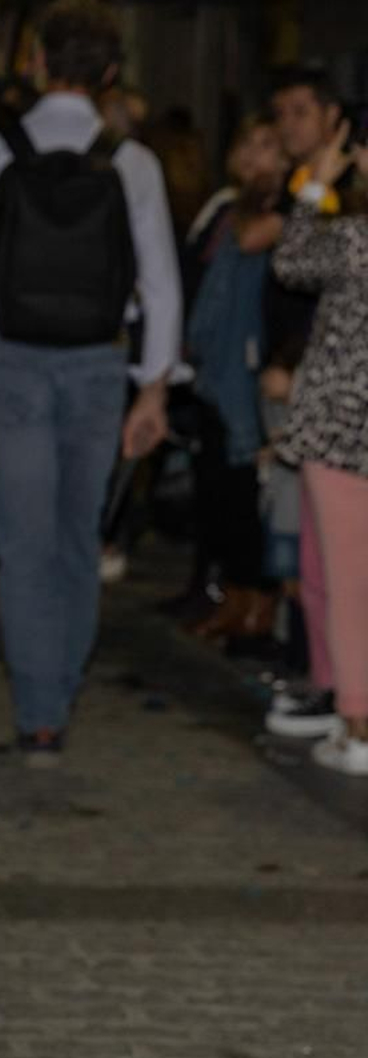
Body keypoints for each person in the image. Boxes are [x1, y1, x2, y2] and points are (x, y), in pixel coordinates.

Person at [0, 0, 182, 761]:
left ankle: (39, 710)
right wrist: (155, 388)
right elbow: (162, 285)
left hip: (12, 361)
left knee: (23, 541)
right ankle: (60, 685)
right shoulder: (131, 160)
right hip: (101, 362)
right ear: (109, 74)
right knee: (78, 537)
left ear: (38, 64)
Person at [269, 124, 368, 775]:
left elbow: (290, 261)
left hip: (342, 428)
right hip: (343, 427)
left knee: (345, 580)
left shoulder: (358, 237)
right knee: (330, 573)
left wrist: (315, 185)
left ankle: (359, 723)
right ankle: (341, 703)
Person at [180, 117, 287, 644]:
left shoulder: (278, 207)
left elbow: (250, 249)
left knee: (247, 493)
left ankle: (257, 608)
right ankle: (235, 599)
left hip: (249, 365)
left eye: (268, 146)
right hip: (215, 363)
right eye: (247, 141)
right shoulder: (224, 204)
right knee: (220, 489)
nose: (253, 155)